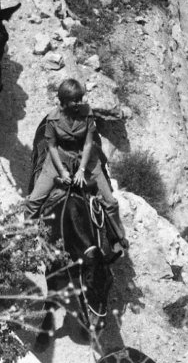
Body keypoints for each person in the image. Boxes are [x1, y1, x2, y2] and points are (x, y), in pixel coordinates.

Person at [26, 77, 128, 257]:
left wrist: (81, 170)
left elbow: (89, 143)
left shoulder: (87, 113)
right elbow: (51, 147)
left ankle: (117, 238)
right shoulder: (52, 118)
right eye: (76, 100)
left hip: (86, 159)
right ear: (64, 102)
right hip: (59, 159)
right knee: (34, 201)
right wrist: (63, 171)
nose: (81, 103)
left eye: (81, 99)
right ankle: (26, 240)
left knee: (110, 201)